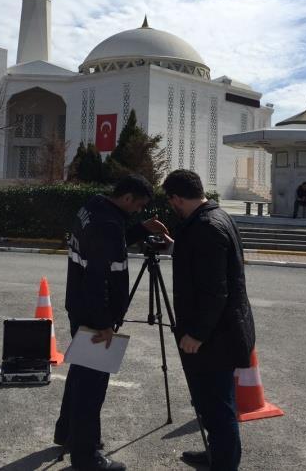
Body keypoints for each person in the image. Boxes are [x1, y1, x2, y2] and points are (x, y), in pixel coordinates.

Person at [54, 174, 168, 471]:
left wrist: (140, 230)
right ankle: (86, 456)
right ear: (127, 197)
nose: (137, 211)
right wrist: (105, 323)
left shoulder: (94, 207)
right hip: (94, 315)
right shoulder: (107, 223)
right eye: (138, 206)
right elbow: (99, 277)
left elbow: (104, 245)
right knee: (92, 388)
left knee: (80, 375)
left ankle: (68, 433)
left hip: (79, 306)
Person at [162, 169, 255, 471]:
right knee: (211, 402)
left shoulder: (206, 228)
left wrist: (197, 334)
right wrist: (176, 245)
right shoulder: (215, 217)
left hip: (215, 336)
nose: (171, 207)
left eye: (171, 201)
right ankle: (216, 453)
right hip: (221, 331)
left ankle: (224, 464)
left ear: (177, 198)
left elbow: (216, 291)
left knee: (218, 405)